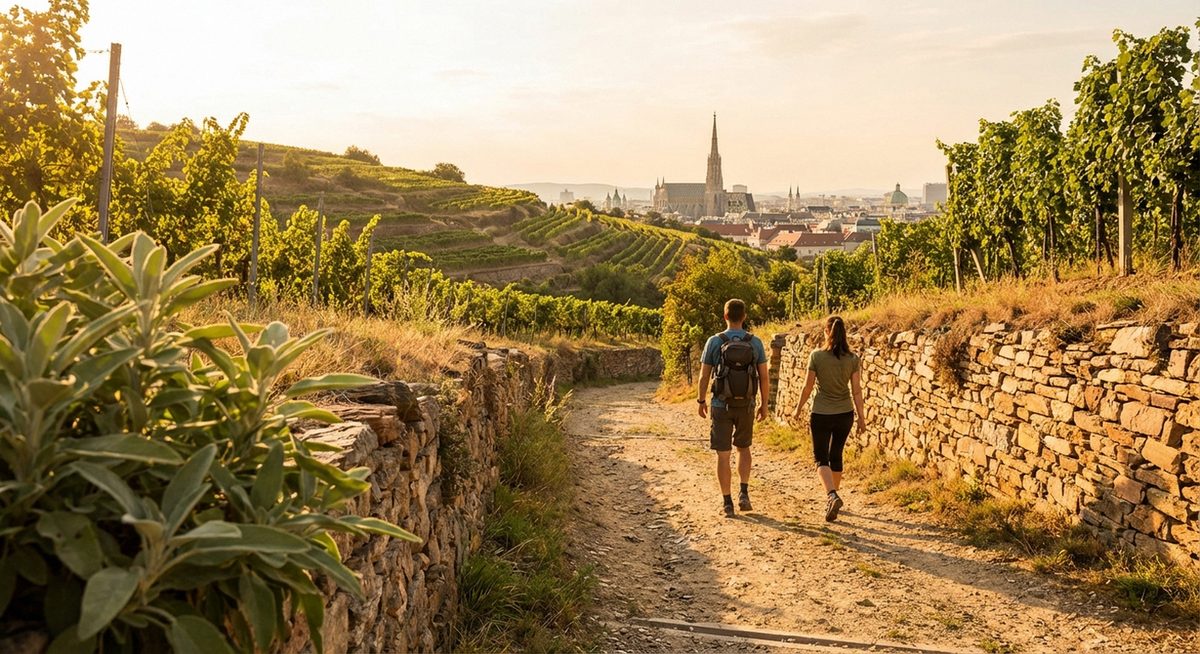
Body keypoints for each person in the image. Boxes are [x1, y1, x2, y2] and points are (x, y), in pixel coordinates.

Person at [697, 298, 770, 518]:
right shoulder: (754, 342)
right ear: (744, 317)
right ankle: (744, 493)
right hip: (746, 404)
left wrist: (701, 401)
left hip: (721, 404)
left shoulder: (714, 341)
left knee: (723, 454)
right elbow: (764, 377)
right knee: (744, 448)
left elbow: (704, 375)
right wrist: (764, 404)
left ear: (725, 316)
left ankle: (727, 502)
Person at [790, 316, 866, 522]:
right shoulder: (853, 359)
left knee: (821, 458)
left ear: (826, 332)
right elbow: (857, 391)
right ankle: (834, 496)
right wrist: (861, 418)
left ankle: (832, 495)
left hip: (822, 413)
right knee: (836, 455)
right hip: (845, 413)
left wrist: (797, 410)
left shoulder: (817, 356)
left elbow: (807, 387)